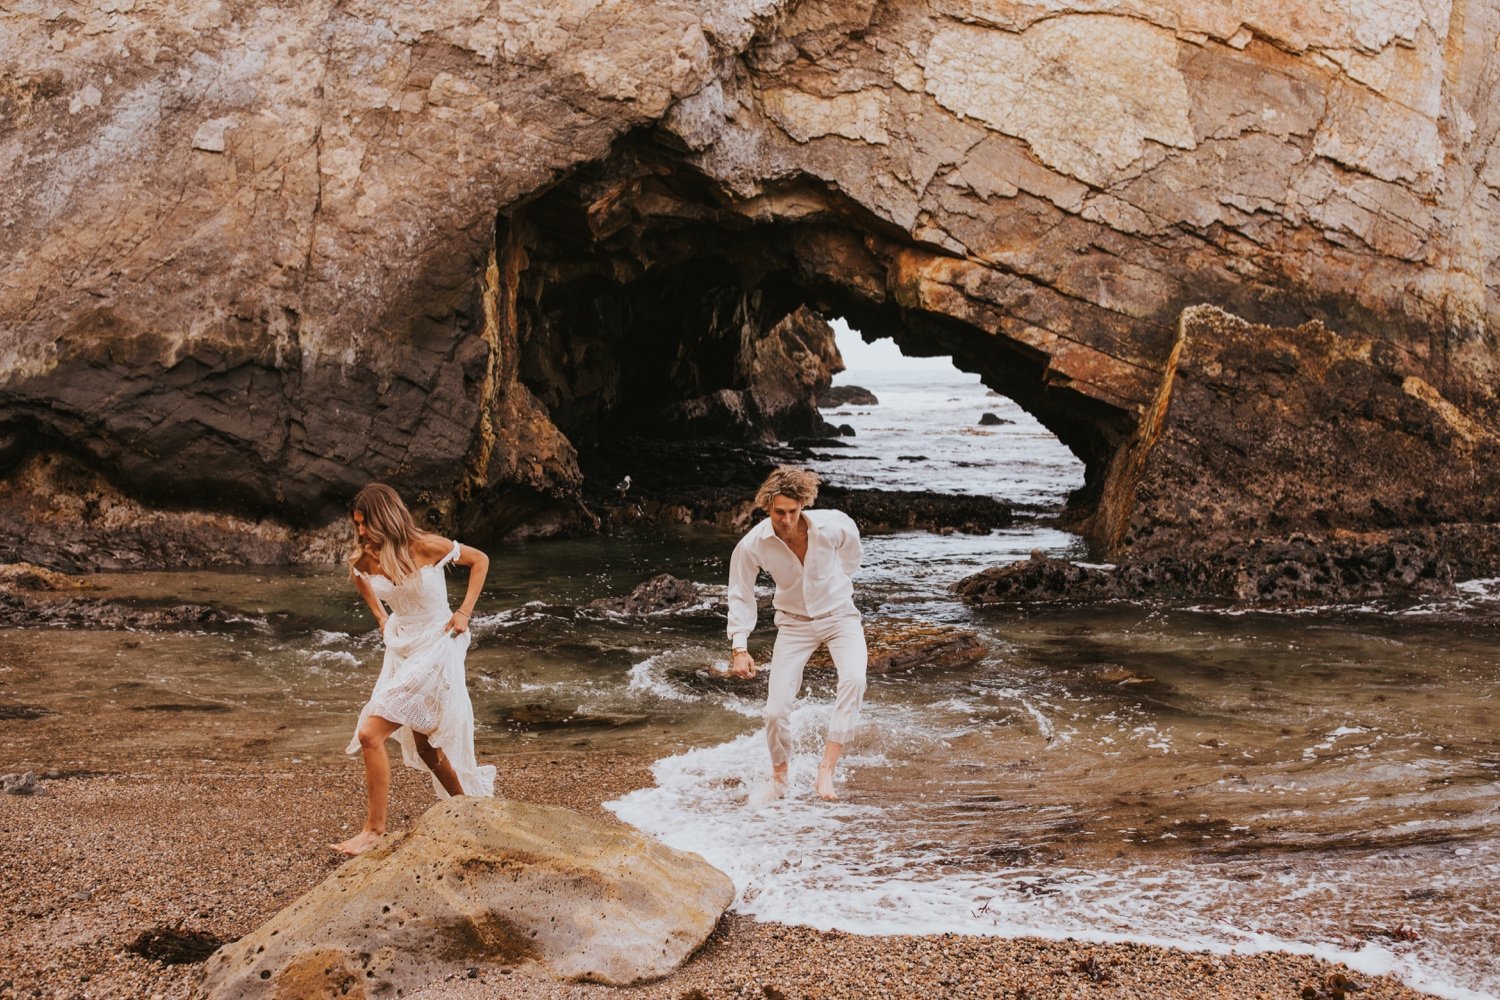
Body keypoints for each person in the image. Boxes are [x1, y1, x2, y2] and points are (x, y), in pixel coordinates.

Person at [333, 483, 496, 855]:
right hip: (404, 647)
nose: (360, 532)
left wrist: (464, 612)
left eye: (365, 523)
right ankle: (467, 806)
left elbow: (480, 560)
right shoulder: (365, 558)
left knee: (370, 732)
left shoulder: (425, 545)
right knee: (425, 744)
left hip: (440, 643)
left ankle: (373, 830)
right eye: (357, 524)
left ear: (385, 518)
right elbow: (360, 578)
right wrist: (380, 617)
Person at [727, 467, 868, 800]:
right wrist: (739, 648)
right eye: (779, 512)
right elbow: (740, 592)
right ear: (767, 508)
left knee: (854, 680)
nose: (787, 519)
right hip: (793, 623)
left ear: (802, 505)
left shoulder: (833, 525)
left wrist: (839, 582)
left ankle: (826, 770)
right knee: (775, 711)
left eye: (793, 511)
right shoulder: (753, 545)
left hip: (840, 616)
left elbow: (853, 551)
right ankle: (780, 774)